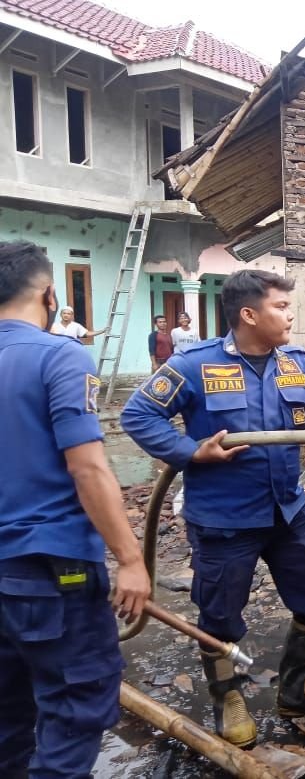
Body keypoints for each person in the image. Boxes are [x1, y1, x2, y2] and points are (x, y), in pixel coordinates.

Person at [121, 269, 305, 748]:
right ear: (248, 314)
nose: (291, 315)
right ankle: (227, 696)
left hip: (288, 511)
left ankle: (296, 690)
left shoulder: (298, 362)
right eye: (281, 307)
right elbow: (138, 414)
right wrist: (190, 451)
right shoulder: (193, 365)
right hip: (225, 518)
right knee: (220, 615)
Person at [0, 241, 151, 778]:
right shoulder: (58, 355)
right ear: (48, 293)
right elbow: (88, 469)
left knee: (8, 718)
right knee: (73, 709)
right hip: (49, 571)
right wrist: (130, 559)